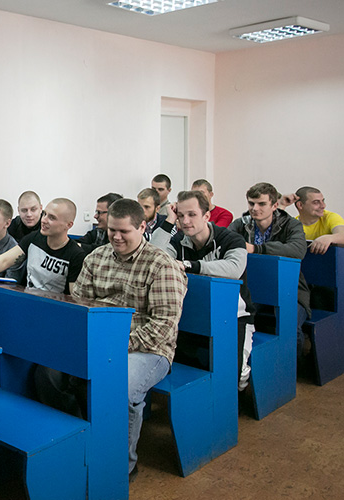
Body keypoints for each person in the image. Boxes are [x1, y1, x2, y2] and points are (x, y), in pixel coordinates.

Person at [38, 199, 186, 481]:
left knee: (121, 387)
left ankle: (122, 463)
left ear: (142, 227)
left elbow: (163, 326)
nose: (116, 237)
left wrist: (113, 347)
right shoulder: (97, 257)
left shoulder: (162, 265)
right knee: (47, 373)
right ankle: (83, 438)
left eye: (124, 232)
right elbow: (80, 304)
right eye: (112, 231)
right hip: (98, 340)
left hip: (149, 349)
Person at [151, 190, 255, 391]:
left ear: (206, 216)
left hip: (233, 316)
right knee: (184, 363)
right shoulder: (178, 241)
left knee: (234, 374)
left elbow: (234, 269)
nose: (185, 221)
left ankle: (238, 397)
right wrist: (170, 220)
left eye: (192, 214)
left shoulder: (230, 239)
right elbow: (154, 255)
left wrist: (191, 265)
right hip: (191, 314)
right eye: (181, 215)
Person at [228, 182, 310, 358]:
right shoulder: (241, 224)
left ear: (274, 205)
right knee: (231, 317)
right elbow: (224, 243)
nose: (255, 208)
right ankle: (243, 366)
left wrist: (257, 249)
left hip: (290, 289)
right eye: (251, 203)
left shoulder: (291, 224)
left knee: (290, 327)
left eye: (262, 204)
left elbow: (298, 250)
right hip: (251, 288)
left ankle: (292, 370)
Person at [0, 198, 85, 294]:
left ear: (69, 225)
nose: (44, 220)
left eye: (52, 218)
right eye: (44, 214)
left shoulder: (76, 254)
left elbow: (74, 297)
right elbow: (4, 261)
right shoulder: (34, 238)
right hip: (29, 300)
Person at [279, 186, 344, 255]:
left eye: (323, 201)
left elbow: (342, 235)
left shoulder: (330, 217)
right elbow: (273, 234)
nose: (323, 206)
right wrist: (282, 205)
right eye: (316, 202)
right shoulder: (293, 224)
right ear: (300, 205)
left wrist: (329, 238)